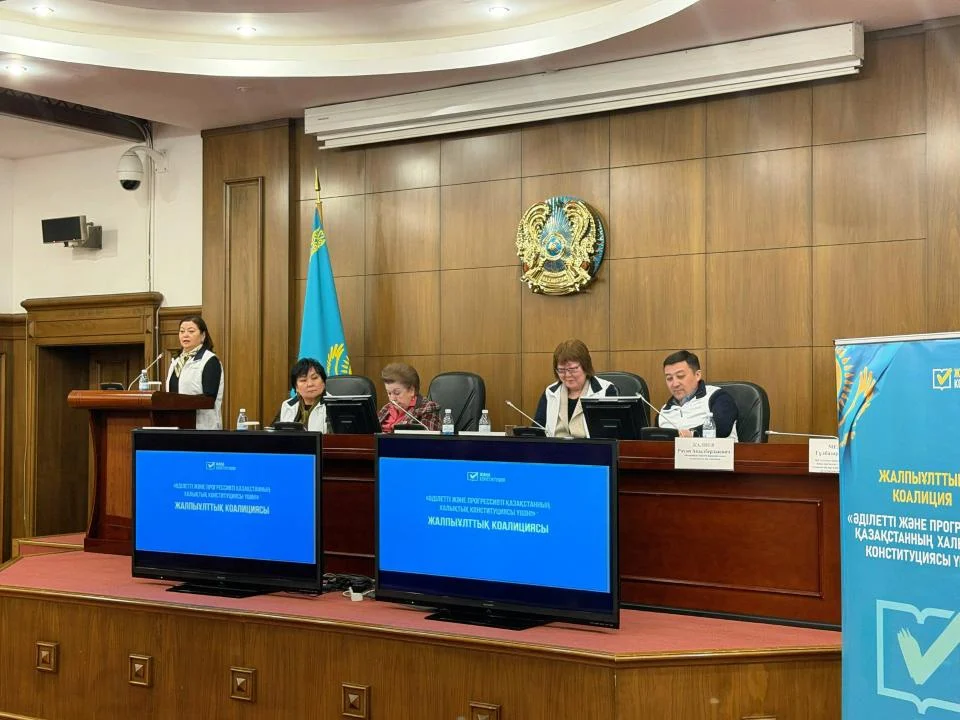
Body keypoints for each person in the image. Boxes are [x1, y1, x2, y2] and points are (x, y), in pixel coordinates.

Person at [534, 339, 617, 438]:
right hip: (555, 446)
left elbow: (613, 434)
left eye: (572, 369)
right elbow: (537, 431)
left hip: (590, 447)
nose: (567, 375)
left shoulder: (605, 390)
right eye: (561, 370)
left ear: (585, 366)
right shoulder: (550, 392)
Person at [658, 350, 738, 439]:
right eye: (669, 378)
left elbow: (722, 427)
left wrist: (692, 434)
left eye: (680, 376)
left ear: (697, 375)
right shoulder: (663, 412)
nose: (675, 384)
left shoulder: (717, 397)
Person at [165, 315, 224, 430]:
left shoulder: (210, 360)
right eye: (182, 331)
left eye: (191, 331)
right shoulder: (176, 362)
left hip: (202, 427)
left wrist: (180, 403)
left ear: (203, 335)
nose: (185, 335)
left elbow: (209, 398)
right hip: (176, 425)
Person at [378, 362, 441, 432]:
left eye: (397, 393)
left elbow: (427, 437)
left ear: (411, 390)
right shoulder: (386, 408)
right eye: (389, 393)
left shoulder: (427, 409)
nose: (392, 399)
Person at [272, 358, 329, 432]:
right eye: (303, 380)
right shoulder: (287, 405)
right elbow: (273, 433)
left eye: (315, 378)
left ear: (323, 382)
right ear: (296, 387)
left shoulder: (333, 406)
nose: (310, 384)